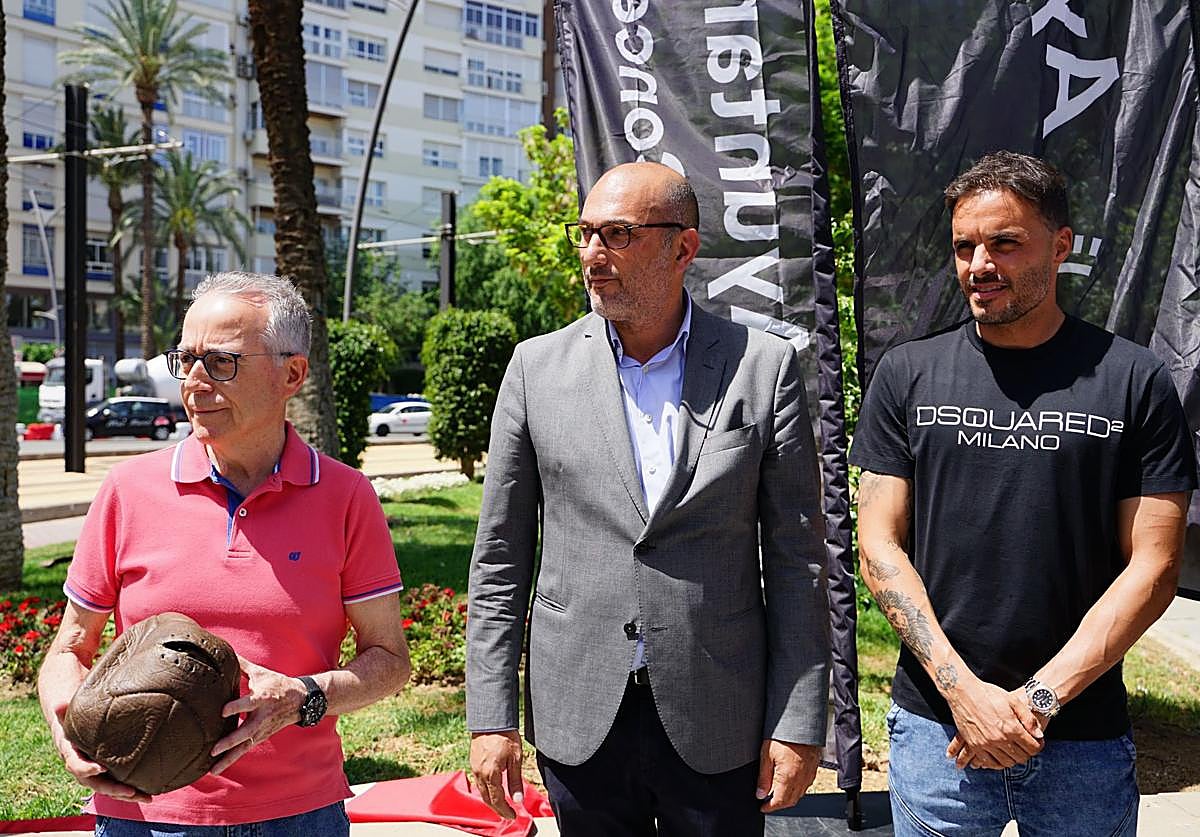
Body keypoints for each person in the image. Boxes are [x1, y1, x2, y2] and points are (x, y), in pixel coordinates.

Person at [465, 161, 831, 836]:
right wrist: (491, 716)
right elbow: (498, 560)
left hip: (718, 713)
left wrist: (799, 719)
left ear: (683, 247)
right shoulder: (535, 369)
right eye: (584, 234)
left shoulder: (761, 366)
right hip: (581, 713)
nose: (592, 255)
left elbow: (797, 562)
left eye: (617, 234)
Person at [851, 151, 1196, 836]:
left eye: (1005, 242)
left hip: (1082, 739)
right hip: (937, 730)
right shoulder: (908, 375)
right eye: (964, 246)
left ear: (1060, 245)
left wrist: (1037, 699)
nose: (981, 263)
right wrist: (964, 693)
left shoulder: (1133, 379)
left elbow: (1154, 565)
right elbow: (877, 541)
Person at [38, 272, 411, 836]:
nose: (193, 382)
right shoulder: (127, 489)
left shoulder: (345, 497)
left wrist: (302, 697)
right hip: (144, 818)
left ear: (292, 374)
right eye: (184, 359)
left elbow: (389, 659)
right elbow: (68, 647)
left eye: (221, 362)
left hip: (299, 817)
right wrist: (71, 728)